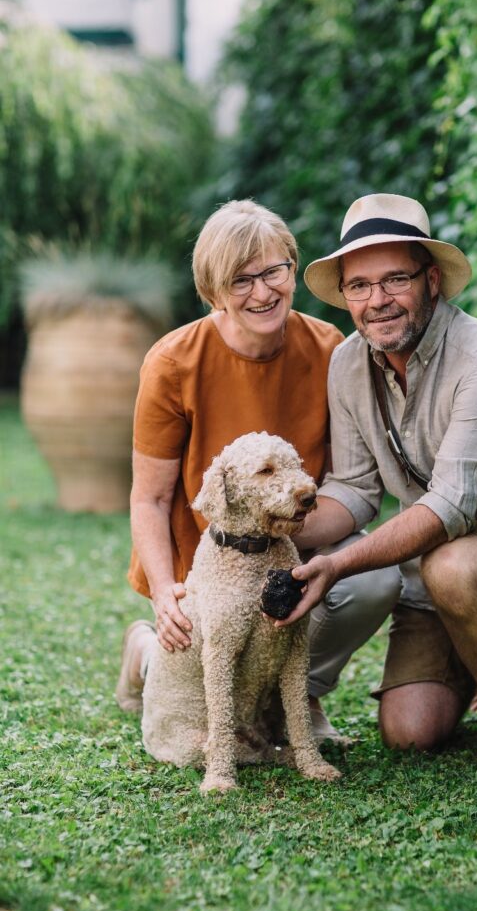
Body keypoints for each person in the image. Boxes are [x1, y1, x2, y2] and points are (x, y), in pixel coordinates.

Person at [276, 192, 477, 779]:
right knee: (410, 733)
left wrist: (336, 567)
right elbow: (352, 488)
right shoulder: (348, 364)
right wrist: (281, 531)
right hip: (440, 549)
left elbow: (449, 506)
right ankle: (474, 648)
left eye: (395, 278)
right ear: (345, 295)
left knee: (451, 565)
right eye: (360, 286)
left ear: (432, 281)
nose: (378, 301)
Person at [115, 199, 401, 740]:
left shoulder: (329, 349)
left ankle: (300, 698)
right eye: (241, 279)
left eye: (275, 271)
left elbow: (346, 481)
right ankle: (149, 654)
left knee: (375, 579)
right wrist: (163, 592)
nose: (264, 291)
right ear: (212, 291)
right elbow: (149, 498)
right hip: (203, 561)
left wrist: (287, 541)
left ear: (294, 268)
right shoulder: (173, 362)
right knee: (193, 662)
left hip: (297, 543)